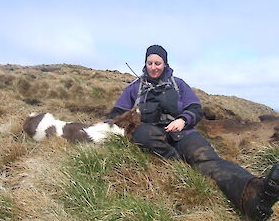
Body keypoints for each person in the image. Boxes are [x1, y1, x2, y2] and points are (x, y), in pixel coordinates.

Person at [107, 45, 279, 221]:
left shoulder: (179, 84)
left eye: (157, 63)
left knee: (207, 158)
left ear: (165, 64)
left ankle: (255, 196)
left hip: (183, 133)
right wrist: (104, 127)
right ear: (145, 63)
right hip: (152, 134)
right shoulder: (134, 88)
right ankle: (181, 163)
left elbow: (195, 108)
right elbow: (116, 115)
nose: (153, 67)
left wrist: (182, 120)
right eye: (149, 63)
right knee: (143, 134)